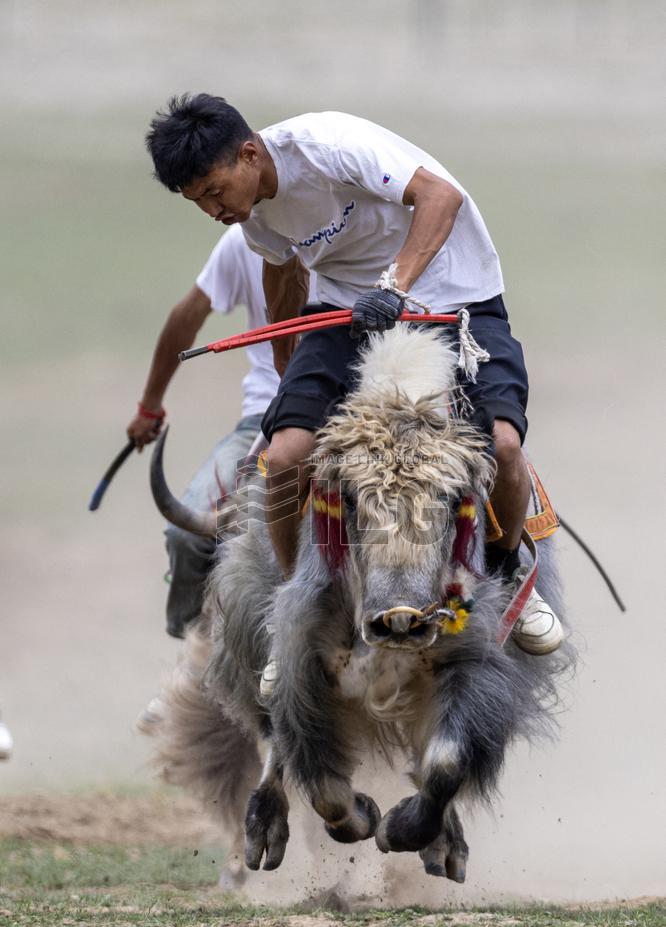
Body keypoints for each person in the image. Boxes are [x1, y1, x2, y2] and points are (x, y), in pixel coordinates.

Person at [144, 94, 563, 659]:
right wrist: (289, 369)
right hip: (345, 313)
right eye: (198, 202)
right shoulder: (251, 214)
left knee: (505, 445)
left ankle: (509, 574)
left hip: (456, 300)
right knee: (286, 455)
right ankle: (296, 602)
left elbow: (441, 196)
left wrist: (394, 287)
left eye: (214, 192)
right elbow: (282, 274)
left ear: (248, 155)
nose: (212, 210)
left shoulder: (330, 145)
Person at [127, 222, 314, 638]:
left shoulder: (357, 229)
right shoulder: (247, 239)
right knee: (186, 536)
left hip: (355, 420)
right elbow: (188, 315)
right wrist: (149, 405)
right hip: (265, 418)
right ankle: (195, 651)